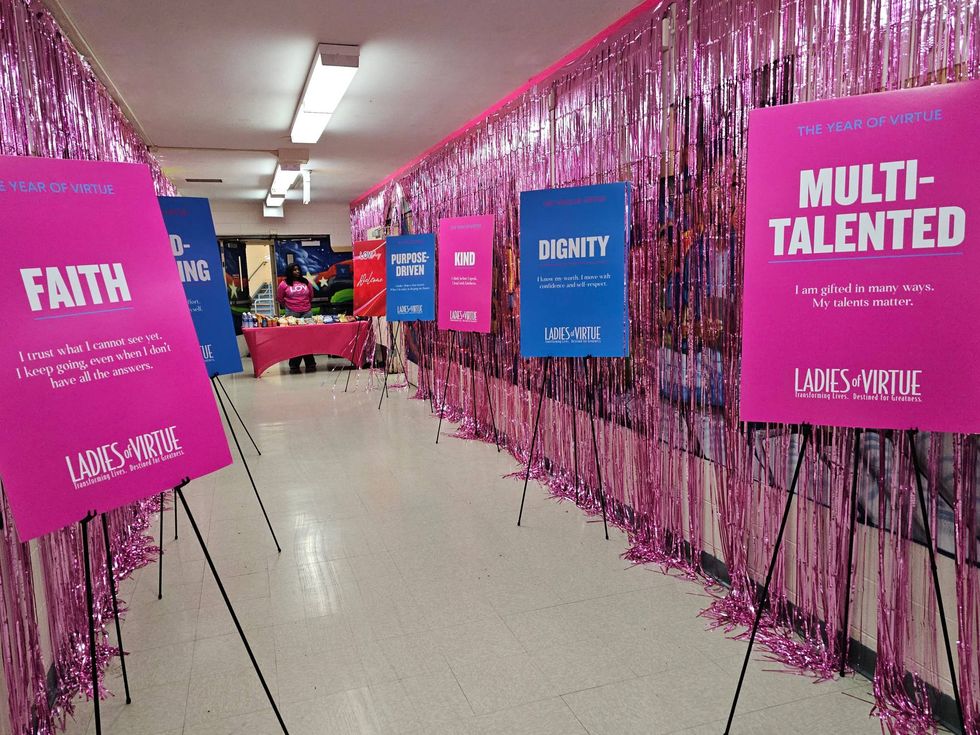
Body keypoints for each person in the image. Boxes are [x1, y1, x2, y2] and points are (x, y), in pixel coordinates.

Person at [276, 263, 317, 373]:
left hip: (307, 312)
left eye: (298, 269)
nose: (297, 271)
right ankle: (294, 365)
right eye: (294, 270)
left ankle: (310, 364)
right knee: (295, 340)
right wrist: (289, 306)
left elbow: (311, 296)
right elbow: (280, 298)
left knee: (307, 339)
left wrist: (305, 305)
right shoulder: (284, 284)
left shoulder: (306, 282)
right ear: (290, 271)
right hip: (292, 313)